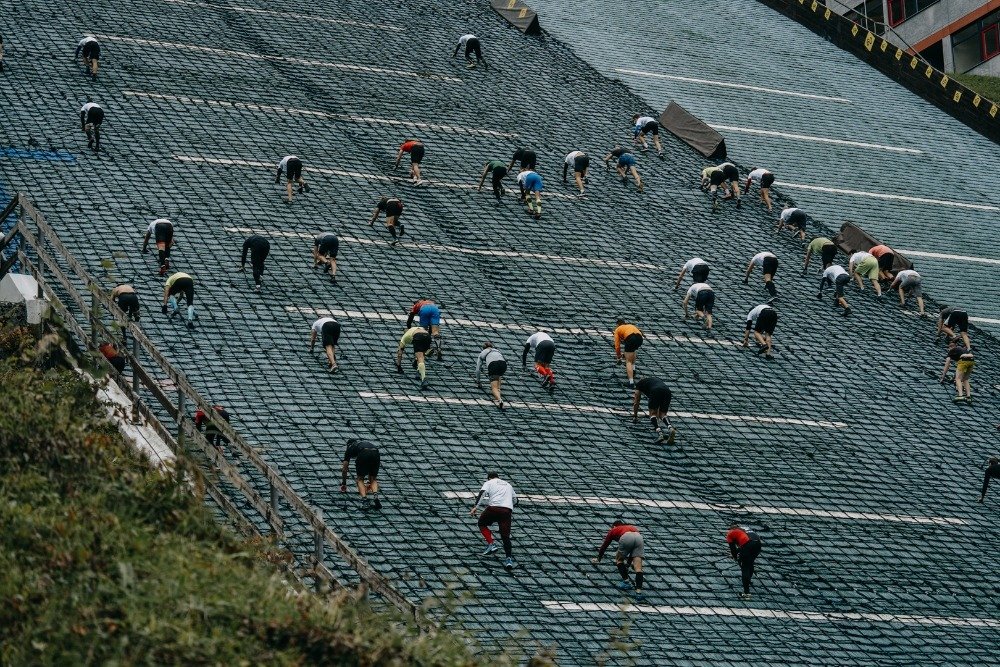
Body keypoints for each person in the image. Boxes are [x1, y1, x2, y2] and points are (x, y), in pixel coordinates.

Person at [470, 472, 517, 571]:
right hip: (506, 511)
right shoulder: (508, 485)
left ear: (489, 478)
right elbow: (516, 500)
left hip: (494, 508)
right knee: (505, 536)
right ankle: (508, 559)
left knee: (481, 523)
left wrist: (475, 507)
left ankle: (491, 544)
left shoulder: (490, 482)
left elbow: (482, 494)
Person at [592, 520, 645, 598]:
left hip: (626, 537)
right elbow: (632, 552)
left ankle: (626, 582)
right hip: (639, 537)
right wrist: (628, 564)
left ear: (614, 526)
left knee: (619, 560)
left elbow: (605, 545)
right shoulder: (632, 527)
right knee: (638, 568)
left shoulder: (614, 530)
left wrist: (598, 558)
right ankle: (638, 593)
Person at [340, 439, 382, 509]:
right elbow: (369, 463)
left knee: (360, 479)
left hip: (364, 453)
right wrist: (369, 483)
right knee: (373, 479)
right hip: (376, 453)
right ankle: (375, 496)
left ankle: (364, 500)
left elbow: (344, 469)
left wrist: (344, 483)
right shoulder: (363, 443)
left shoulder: (350, 449)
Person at [631, 377, 675, 444]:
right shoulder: (653, 380)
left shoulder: (639, 384)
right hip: (667, 391)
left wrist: (635, 416)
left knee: (652, 413)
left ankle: (660, 433)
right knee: (662, 414)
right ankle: (670, 427)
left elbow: (636, 402)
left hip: (655, 391)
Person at [726, 524, 762, 600]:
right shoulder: (744, 529)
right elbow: (746, 543)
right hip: (758, 544)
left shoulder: (730, 534)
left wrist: (735, 557)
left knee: (745, 567)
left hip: (748, 545)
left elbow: (733, 549)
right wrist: (738, 552)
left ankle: (746, 594)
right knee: (750, 563)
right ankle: (748, 580)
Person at [396, 326, 431, 390]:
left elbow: (399, 353)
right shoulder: (417, 328)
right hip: (427, 336)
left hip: (418, 336)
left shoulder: (404, 337)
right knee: (422, 355)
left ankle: (424, 379)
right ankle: (418, 370)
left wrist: (399, 366)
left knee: (420, 357)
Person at [476, 342, 507, 409]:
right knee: (498, 375)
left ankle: (500, 400)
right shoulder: (497, 350)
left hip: (493, 365)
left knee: (493, 388)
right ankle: (499, 390)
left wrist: (478, 382)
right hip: (503, 364)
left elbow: (478, 369)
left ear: (483, 348)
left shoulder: (482, 353)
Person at [613, 319, 643, 388]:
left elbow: (617, 346)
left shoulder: (617, 330)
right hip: (640, 338)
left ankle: (631, 382)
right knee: (633, 350)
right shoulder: (630, 326)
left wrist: (618, 357)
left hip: (631, 339)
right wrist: (623, 354)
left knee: (628, 361)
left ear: (618, 325)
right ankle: (633, 369)